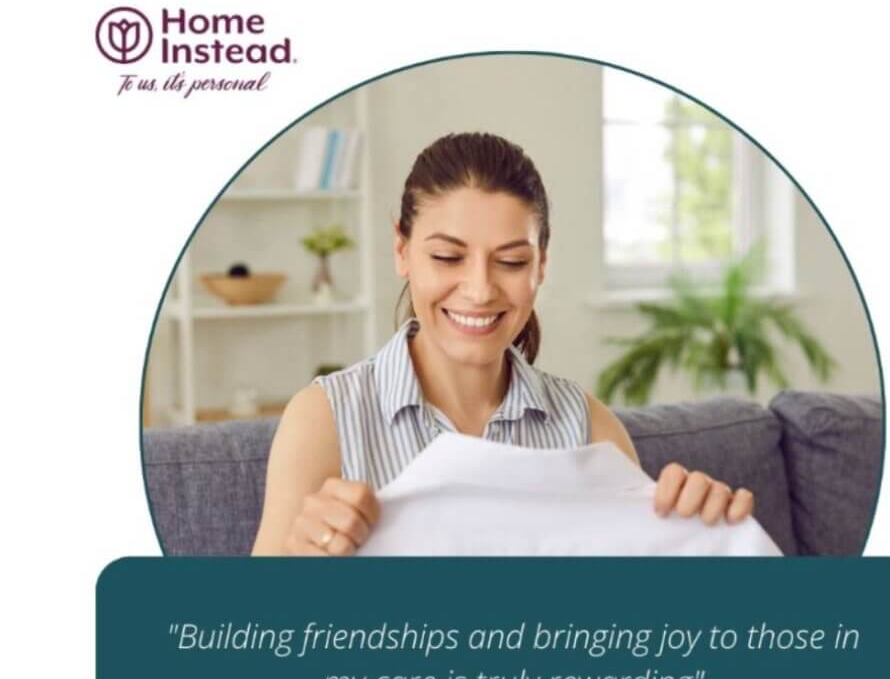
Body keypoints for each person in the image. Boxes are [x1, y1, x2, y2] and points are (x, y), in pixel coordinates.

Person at [252, 131, 754, 558]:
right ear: (402, 250)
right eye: (447, 257)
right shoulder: (325, 419)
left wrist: (698, 537)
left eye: (511, 262)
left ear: (541, 265)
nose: (479, 290)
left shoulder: (590, 430)